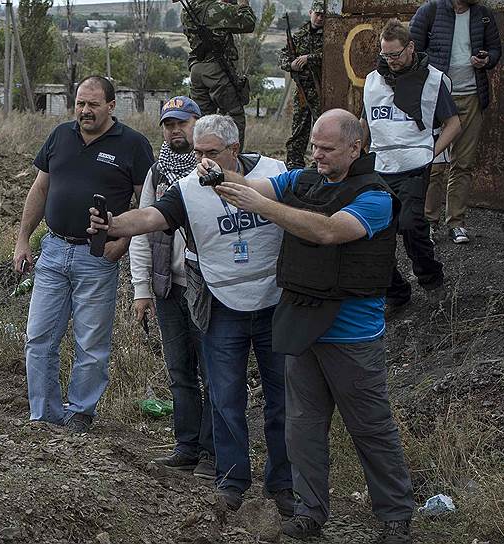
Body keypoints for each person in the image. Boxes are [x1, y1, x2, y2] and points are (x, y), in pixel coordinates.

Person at [209, 109, 415, 543]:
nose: (316, 154)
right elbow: (253, 186)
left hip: (353, 337)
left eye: (326, 148)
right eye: (314, 147)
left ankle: (395, 515)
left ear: (355, 148)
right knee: (302, 428)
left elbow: (327, 231)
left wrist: (263, 206)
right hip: (302, 325)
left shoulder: (375, 197)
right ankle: (310, 511)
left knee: (370, 428)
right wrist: (220, 173)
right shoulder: (304, 179)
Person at [89, 114, 293, 515]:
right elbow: (151, 217)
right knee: (224, 397)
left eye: (212, 153)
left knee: (281, 400)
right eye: (199, 153)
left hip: (273, 303)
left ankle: (283, 485)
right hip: (221, 306)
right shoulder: (188, 188)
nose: (203, 161)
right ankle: (232, 481)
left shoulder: (274, 174)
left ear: (235, 149)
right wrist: (114, 224)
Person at [14, 75, 154, 434]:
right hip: (54, 250)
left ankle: (80, 412)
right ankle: (44, 416)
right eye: (80, 103)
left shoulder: (133, 145)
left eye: (93, 104)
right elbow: (41, 187)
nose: (85, 110)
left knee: (90, 342)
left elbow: (147, 202)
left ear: (111, 105)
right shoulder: (60, 136)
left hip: (97, 257)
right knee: (39, 337)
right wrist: (23, 238)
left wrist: (121, 244)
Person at [129, 96, 214, 479]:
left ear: (198, 123)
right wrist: (141, 288)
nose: (175, 130)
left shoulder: (212, 168)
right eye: (168, 124)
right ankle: (186, 446)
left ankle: (214, 452)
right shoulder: (157, 172)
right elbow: (140, 231)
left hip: (208, 288)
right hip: (168, 288)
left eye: (182, 122)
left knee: (214, 373)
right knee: (180, 371)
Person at [360, 19, 461, 311]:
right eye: (385, 55)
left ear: (411, 47)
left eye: (396, 54)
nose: (390, 61)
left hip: (415, 165)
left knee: (411, 225)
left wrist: (432, 152)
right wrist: (356, 150)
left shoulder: (432, 79)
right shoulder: (372, 81)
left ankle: (431, 280)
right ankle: (396, 291)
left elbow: (454, 123)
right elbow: (365, 122)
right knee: (375, 233)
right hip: (380, 166)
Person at [411, 0, 502, 244]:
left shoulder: (483, 15)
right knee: (434, 163)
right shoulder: (429, 12)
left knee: (463, 163)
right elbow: (413, 52)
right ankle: (429, 222)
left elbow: (495, 49)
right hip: (438, 99)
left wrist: (487, 59)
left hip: (471, 96)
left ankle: (456, 223)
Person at [180, 0, 256, 149]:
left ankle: (201, 156)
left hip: (196, 69)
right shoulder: (217, 8)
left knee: (201, 119)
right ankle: (234, 159)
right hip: (217, 69)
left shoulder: (187, 11)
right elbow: (248, 23)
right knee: (233, 115)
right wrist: (243, 4)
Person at [280, 0, 324, 169]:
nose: (319, 18)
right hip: (302, 89)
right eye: (317, 14)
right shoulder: (299, 35)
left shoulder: (329, 34)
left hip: (320, 89)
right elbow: (283, 57)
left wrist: (309, 58)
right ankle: (294, 162)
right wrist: (290, 65)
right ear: (311, 12)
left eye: (322, 15)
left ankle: (318, 162)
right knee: (299, 128)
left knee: (321, 126)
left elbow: (331, 55)